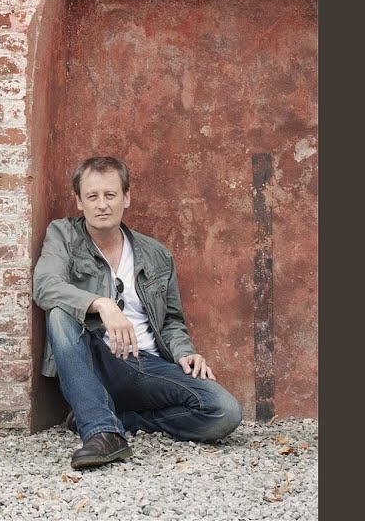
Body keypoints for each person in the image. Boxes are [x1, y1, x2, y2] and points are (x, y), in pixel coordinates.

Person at [32, 156, 243, 469]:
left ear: (126, 197)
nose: (102, 205)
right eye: (92, 196)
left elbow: (171, 321)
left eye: (110, 195)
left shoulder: (156, 254)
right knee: (60, 315)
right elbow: (45, 286)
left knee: (224, 411)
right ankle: (103, 433)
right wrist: (101, 304)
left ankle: (120, 419)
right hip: (93, 361)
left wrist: (185, 352)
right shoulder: (63, 235)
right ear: (79, 201)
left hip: (146, 366)